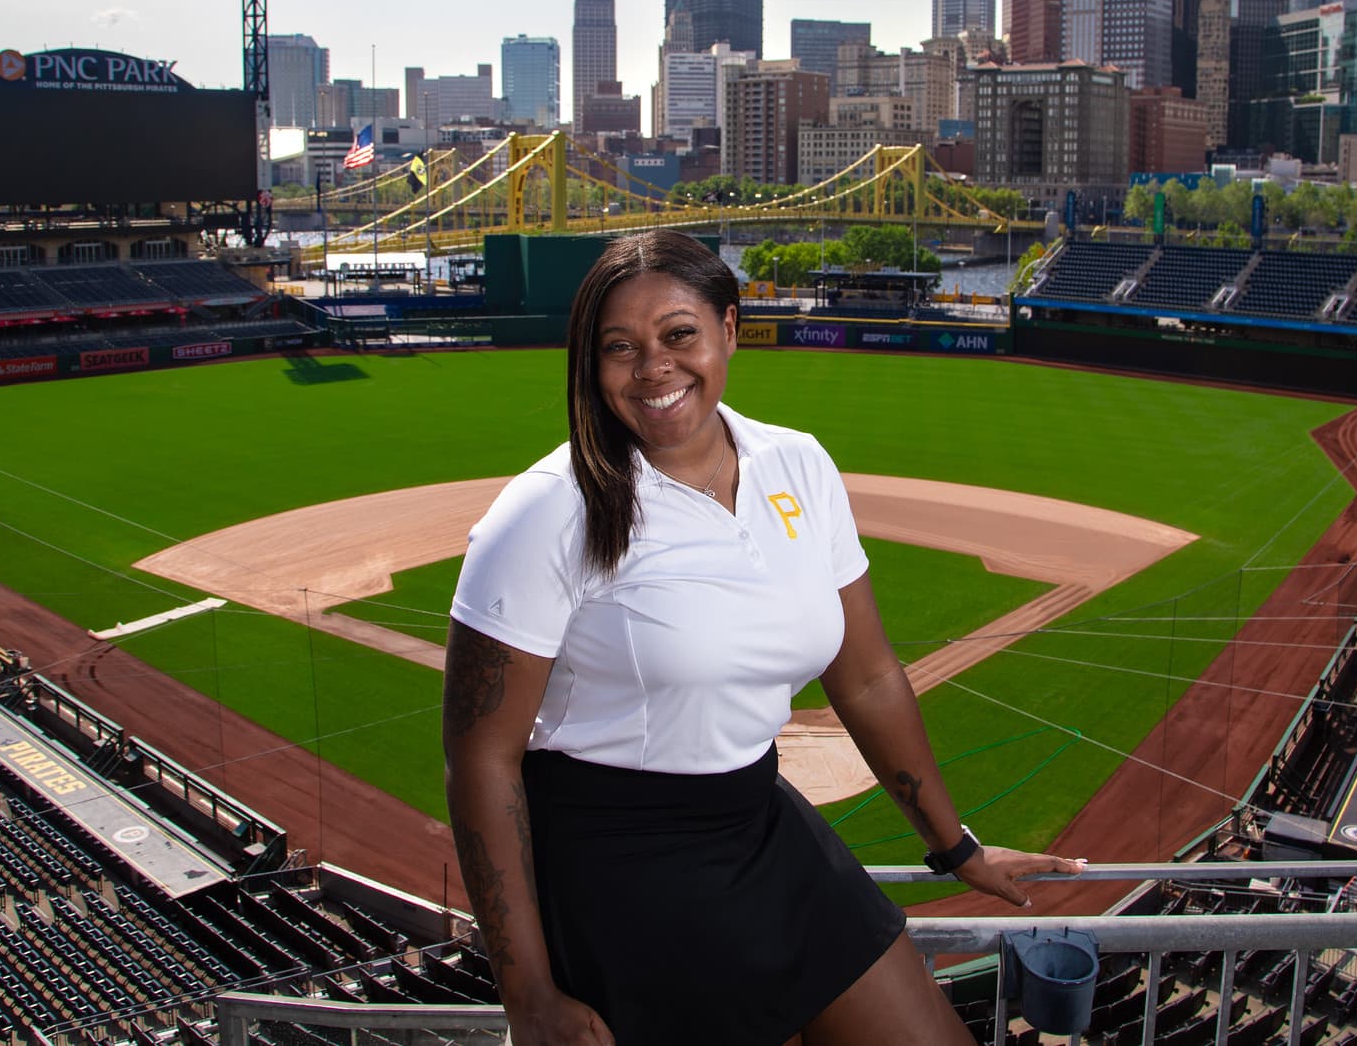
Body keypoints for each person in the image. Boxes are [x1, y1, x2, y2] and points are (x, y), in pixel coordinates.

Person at [444, 229, 1081, 1045]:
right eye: (619, 347)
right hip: (617, 859)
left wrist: (955, 848)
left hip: (758, 816)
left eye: (679, 334)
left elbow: (868, 675)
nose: (653, 367)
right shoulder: (546, 511)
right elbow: (481, 756)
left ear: (730, 329)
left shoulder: (799, 464)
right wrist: (527, 993)